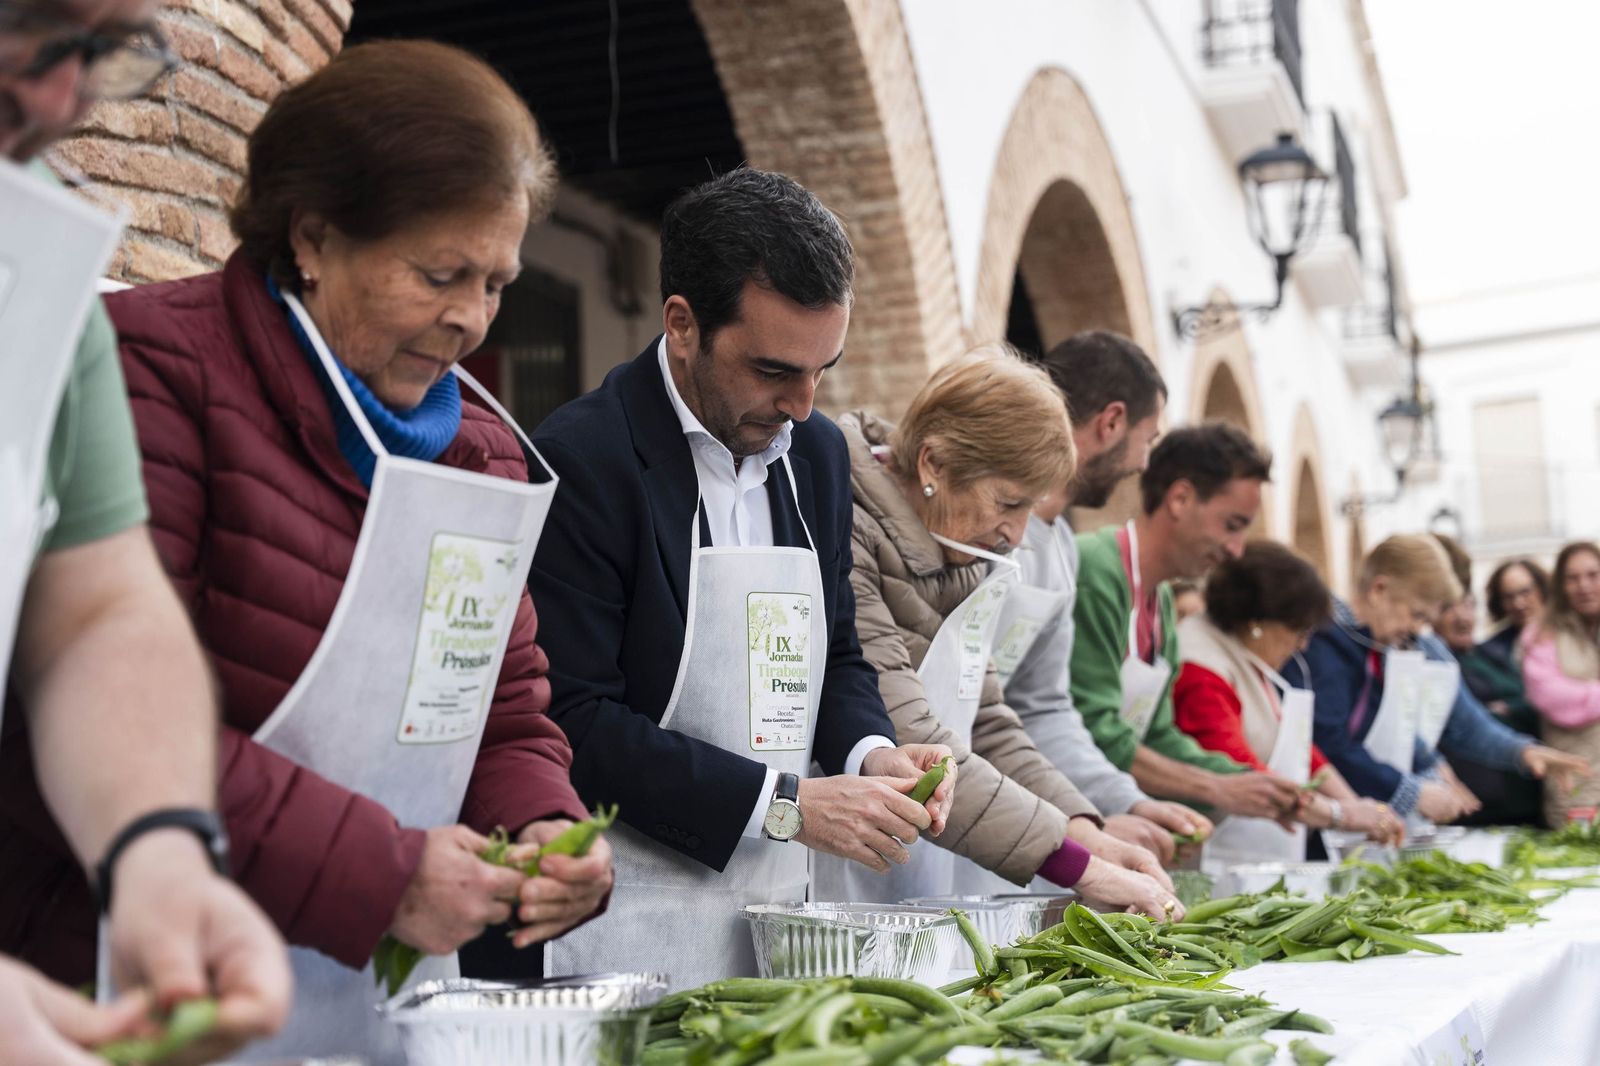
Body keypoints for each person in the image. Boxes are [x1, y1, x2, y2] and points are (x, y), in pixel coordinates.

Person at [9, 41, 615, 1063]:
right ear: (314, 237)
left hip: (372, 984)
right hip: (112, 966)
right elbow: (85, 683)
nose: (470, 319)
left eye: (498, 283)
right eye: (439, 274)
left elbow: (501, 707)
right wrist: (382, 871)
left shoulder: (482, 454)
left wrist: (548, 831)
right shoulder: (154, 367)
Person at [524, 168, 954, 990]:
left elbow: (833, 652)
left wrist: (871, 756)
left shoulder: (821, 456)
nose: (802, 402)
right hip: (621, 917)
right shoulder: (583, 458)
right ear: (682, 325)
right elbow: (573, 720)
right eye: (772, 370)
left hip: (776, 913)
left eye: (823, 369)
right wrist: (787, 804)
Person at [0, 2, 290, 1062]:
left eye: (98, 51)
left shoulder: (32, 266)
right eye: (25, 23)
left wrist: (159, 851)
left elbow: (96, 611)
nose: (55, 100)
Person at [812, 346, 1178, 917]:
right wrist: (1081, 867)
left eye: (1029, 507)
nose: (1015, 533)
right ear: (934, 464)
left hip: (926, 861)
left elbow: (989, 723)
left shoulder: (964, 549)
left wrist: (1088, 830)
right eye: (1009, 502)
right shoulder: (850, 529)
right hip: (832, 874)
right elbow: (914, 730)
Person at [999, 331, 1212, 865]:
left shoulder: (1063, 547)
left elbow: (1042, 706)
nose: (1144, 464)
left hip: (1007, 820)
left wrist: (1126, 800)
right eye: (1148, 439)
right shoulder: (983, 528)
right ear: (1111, 422)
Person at [1070, 422, 1303, 825]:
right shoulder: (1096, 571)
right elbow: (1094, 730)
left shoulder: (1160, 600)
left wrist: (1252, 783)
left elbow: (1157, 735)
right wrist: (1215, 788)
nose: (1236, 551)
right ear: (1180, 498)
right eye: (1232, 525)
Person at [1284, 535, 1584, 826]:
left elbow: (1406, 731)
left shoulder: (1376, 647)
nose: (1416, 630)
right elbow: (1330, 742)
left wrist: (1430, 766)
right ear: (1379, 590)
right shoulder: (1328, 644)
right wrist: (1412, 790)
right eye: (1416, 615)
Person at [1174, 543, 1403, 862]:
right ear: (1258, 622)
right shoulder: (1200, 667)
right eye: (1299, 630)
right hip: (1211, 855)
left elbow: (1297, 747)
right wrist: (1341, 815)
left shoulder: (1241, 650)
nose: (1303, 644)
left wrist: (1356, 805)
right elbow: (1239, 772)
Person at [1434, 542, 1542, 825]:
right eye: (1449, 608)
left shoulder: (1497, 653)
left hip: (1526, 794)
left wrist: (1510, 707)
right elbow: (1468, 724)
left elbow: (1536, 701)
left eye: (1468, 605)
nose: (1462, 616)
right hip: (1475, 805)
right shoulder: (1438, 663)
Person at [1521, 542, 1600, 826]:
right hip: (1578, 787)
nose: (1584, 585)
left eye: (1593, 574)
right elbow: (1552, 697)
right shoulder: (1542, 632)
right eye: (1573, 578)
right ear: (1560, 585)